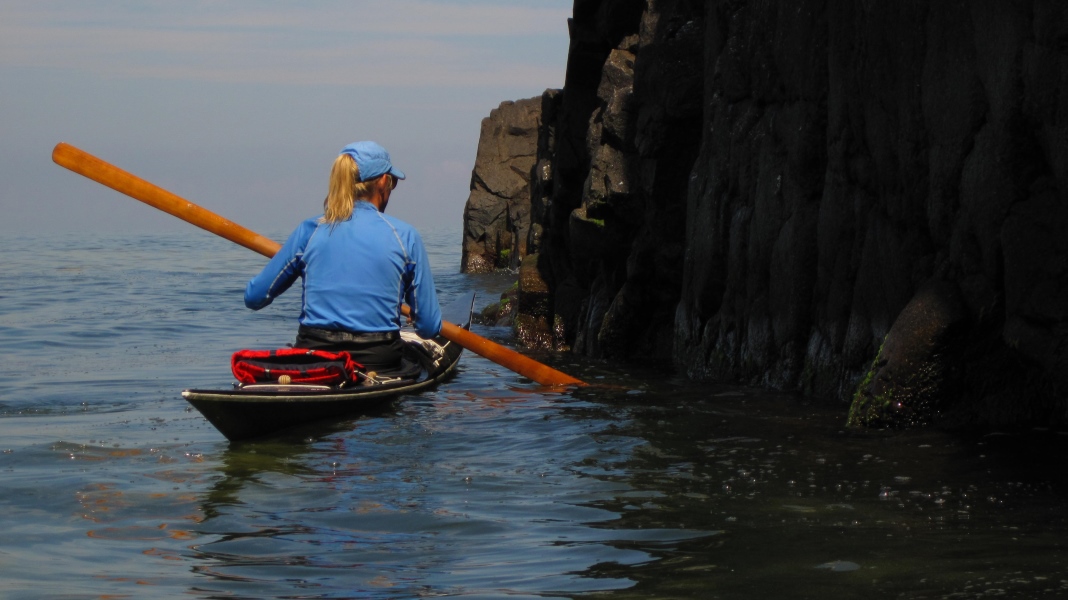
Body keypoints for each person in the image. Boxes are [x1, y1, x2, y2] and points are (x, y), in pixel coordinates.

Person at [244, 141, 442, 374]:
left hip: (316, 357)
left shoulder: (309, 231)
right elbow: (429, 327)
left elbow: (254, 298)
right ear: (382, 182)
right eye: (393, 182)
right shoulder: (405, 236)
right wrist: (416, 316)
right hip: (379, 359)